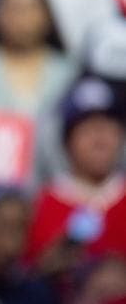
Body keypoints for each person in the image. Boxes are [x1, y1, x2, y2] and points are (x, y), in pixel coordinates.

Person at [25, 76, 126, 290]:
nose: (100, 140)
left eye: (109, 129)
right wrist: (46, 269)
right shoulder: (40, 206)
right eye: (88, 130)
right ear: (67, 142)